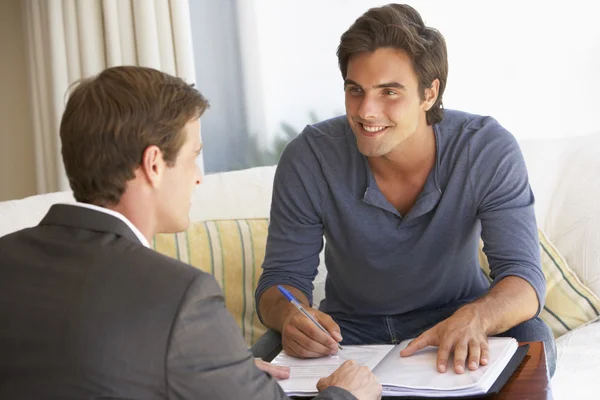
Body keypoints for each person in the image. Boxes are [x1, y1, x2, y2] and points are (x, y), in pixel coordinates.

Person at [0, 66, 382, 400]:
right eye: (192, 157)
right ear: (153, 164)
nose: (198, 176)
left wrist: (220, 373)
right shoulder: (180, 297)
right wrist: (346, 394)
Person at [255, 3, 556, 377]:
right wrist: (291, 315)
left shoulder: (486, 149)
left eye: (389, 92)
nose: (366, 111)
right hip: (348, 332)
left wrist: (475, 317)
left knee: (533, 337)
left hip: (454, 320)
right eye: (355, 90)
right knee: (266, 352)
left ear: (429, 94)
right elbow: (279, 283)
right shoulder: (309, 157)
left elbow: (524, 278)